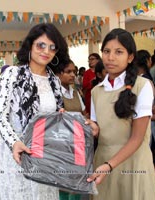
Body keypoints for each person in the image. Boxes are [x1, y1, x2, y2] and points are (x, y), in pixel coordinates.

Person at [0, 23, 98, 200]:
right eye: (41, 45)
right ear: (30, 45)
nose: (46, 51)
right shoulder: (12, 74)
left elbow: (58, 118)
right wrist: (14, 142)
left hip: (44, 157)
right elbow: (0, 115)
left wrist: (84, 126)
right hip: (16, 155)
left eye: (52, 47)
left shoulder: (53, 80)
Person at [87, 28, 155, 200]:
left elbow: (137, 138)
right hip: (103, 162)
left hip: (133, 163)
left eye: (119, 52)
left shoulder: (142, 85)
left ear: (130, 57)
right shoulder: (97, 90)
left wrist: (109, 165)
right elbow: (98, 129)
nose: (111, 57)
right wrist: (87, 126)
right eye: (106, 51)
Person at [55, 60, 87, 200]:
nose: (73, 75)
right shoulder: (54, 95)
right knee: (62, 180)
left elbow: (84, 113)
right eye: (68, 72)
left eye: (74, 72)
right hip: (62, 143)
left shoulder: (75, 93)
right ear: (58, 74)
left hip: (78, 141)